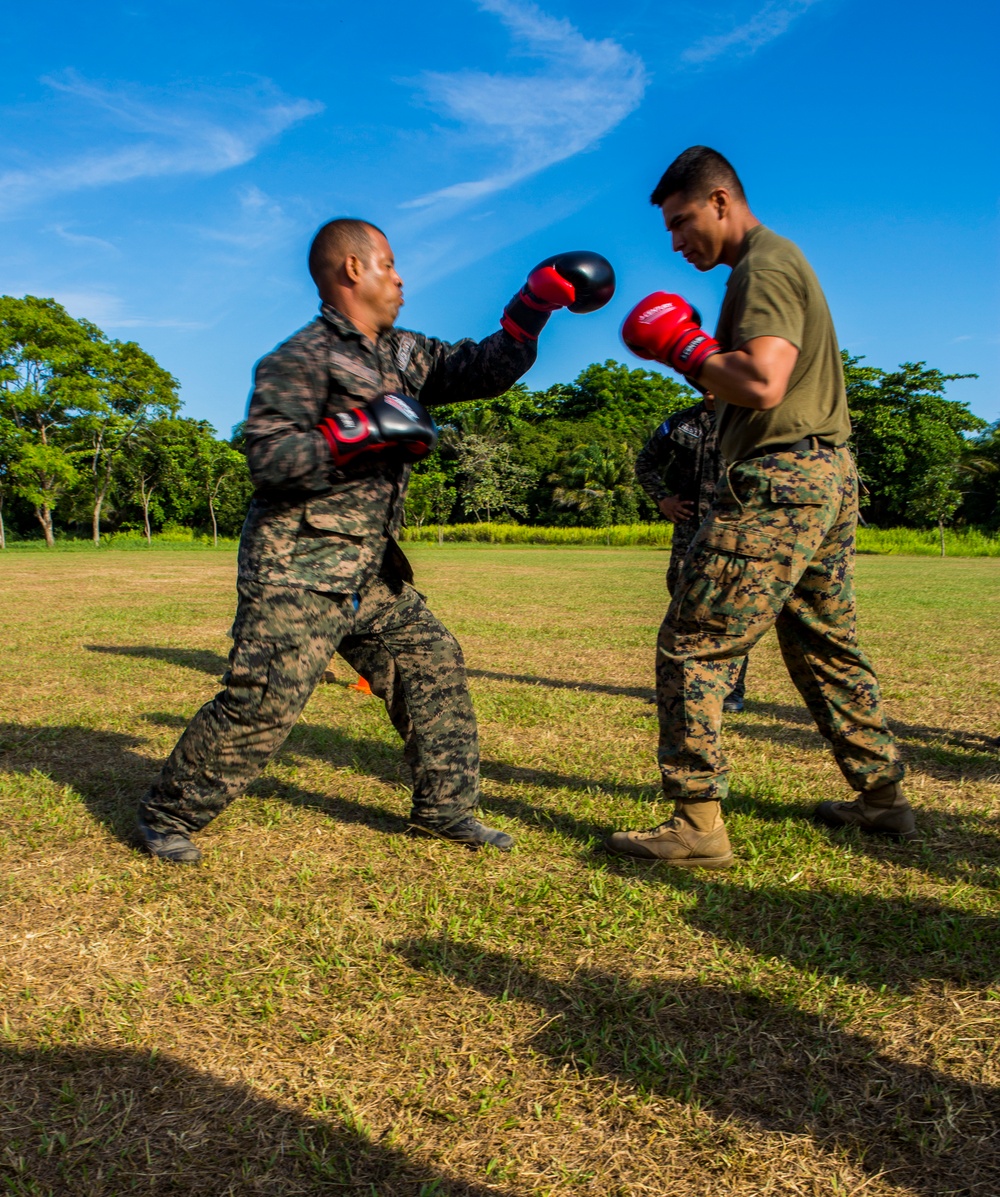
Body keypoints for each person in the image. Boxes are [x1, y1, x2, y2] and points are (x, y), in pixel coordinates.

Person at [137, 220, 614, 863]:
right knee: (264, 702)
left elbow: (483, 369)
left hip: (369, 569)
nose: (400, 278)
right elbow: (268, 459)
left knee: (431, 661)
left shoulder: (405, 353)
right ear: (353, 270)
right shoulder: (297, 359)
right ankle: (170, 813)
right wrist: (356, 432)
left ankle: (446, 812)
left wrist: (533, 308)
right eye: (389, 264)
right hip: (299, 567)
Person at [606, 146, 911, 868]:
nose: (677, 243)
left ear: (720, 201)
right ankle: (882, 797)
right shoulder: (775, 262)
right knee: (825, 646)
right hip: (827, 475)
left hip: (780, 481)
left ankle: (697, 823)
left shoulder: (763, 266)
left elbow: (763, 381)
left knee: (693, 640)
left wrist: (680, 346)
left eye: (682, 223)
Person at [635, 392, 749, 713]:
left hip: (733, 527)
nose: (710, 386)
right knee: (683, 605)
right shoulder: (681, 423)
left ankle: (731, 691)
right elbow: (645, 461)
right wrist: (662, 499)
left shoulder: (746, 418)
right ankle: (678, 686)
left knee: (729, 606)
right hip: (688, 528)